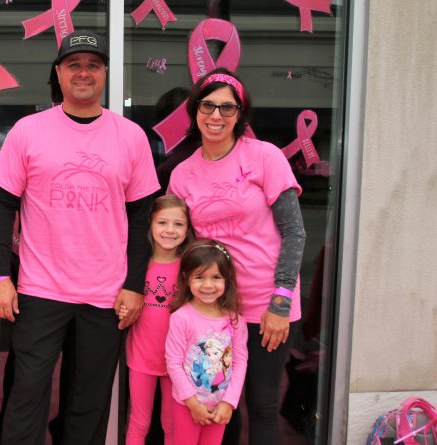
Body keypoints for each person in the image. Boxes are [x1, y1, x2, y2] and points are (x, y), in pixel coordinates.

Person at [0, 29, 160, 444]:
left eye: (93, 65)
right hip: (40, 290)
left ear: (104, 74)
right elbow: (1, 206)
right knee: (26, 394)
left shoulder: (130, 136)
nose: (84, 73)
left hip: (105, 295)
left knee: (88, 404)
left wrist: (135, 285)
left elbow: (142, 218)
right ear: (59, 73)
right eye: (74, 65)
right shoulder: (28, 131)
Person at [167, 67, 307, 444]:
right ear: (195, 110)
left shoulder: (264, 157)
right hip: (216, 309)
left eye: (227, 108)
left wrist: (280, 302)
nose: (216, 115)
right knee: (218, 406)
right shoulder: (182, 174)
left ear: (240, 114)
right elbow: (181, 245)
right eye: (208, 105)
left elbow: (294, 232)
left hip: (267, 306)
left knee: (261, 404)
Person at [120, 195, 192, 444]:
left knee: (171, 423)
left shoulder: (189, 270)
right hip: (142, 357)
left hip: (178, 362)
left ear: (187, 229)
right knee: (139, 421)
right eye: (162, 222)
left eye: (178, 224)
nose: (170, 230)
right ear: (150, 224)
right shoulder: (137, 267)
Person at [165, 239, 248, 445]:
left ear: (227, 279)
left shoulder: (235, 320)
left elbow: (240, 362)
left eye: (216, 277)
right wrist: (193, 403)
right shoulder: (181, 318)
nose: (208, 285)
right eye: (199, 277)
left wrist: (229, 402)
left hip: (220, 407)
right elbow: (173, 363)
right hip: (187, 405)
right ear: (187, 278)